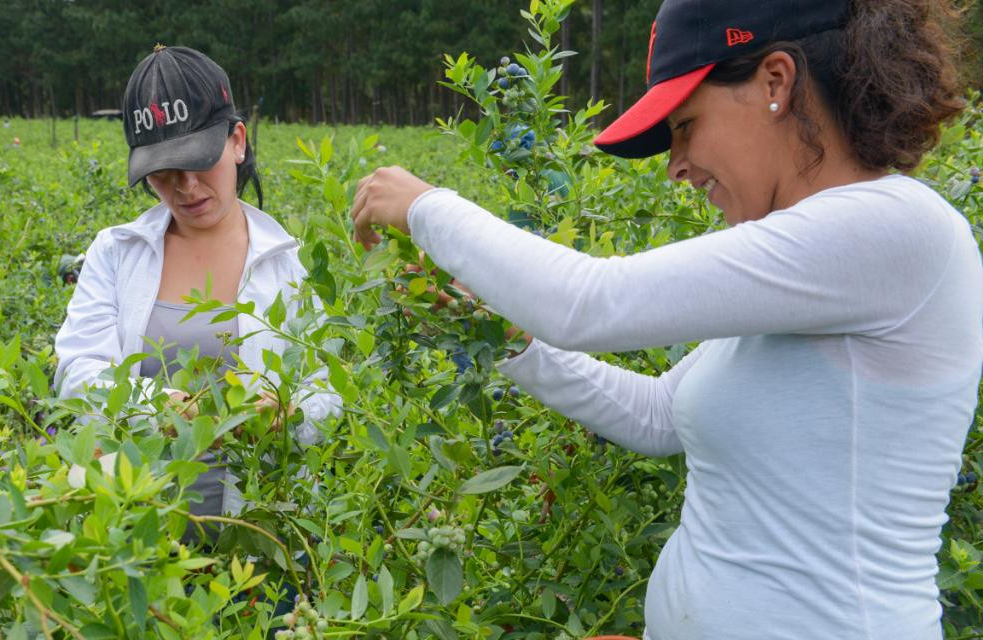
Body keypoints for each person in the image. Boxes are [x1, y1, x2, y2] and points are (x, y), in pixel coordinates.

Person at [351, 1, 980, 638]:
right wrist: (507, 333)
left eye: (686, 125)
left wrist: (426, 207)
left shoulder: (894, 227)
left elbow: (588, 302)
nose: (676, 165)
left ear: (775, 82)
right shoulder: (803, 271)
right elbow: (656, 415)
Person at [54, 45, 340, 531]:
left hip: (262, 536)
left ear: (237, 142)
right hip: (133, 534)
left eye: (198, 162)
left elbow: (329, 391)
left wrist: (289, 416)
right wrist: (155, 403)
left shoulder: (289, 263)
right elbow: (75, 373)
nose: (185, 187)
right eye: (163, 173)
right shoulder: (116, 252)